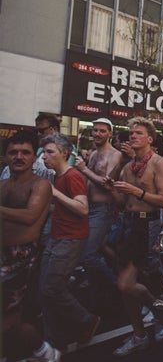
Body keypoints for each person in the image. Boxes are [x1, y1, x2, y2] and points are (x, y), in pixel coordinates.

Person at [105, 117, 163, 356]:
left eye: (138, 133)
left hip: (148, 225)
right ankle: (139, 334)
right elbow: (124, 204)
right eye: (131, 133)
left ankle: (160, 312)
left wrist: (136, 190)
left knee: (126, 283)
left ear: (150, 139)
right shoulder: (127, 166)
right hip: (127, 223)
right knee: (125, 286)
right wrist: (113, 189)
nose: (132, 136)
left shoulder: (160, 163)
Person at [0, 130, 59, 362]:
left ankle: (43, 350)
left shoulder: (40, 184)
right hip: (2, 254)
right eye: (13, 152)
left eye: (25, 152)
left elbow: (30, 216)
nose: (19, 157)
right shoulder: (3, 184)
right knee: (10, 321)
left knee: (8, 322)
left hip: (21, 258)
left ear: (34, 157)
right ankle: (39, 351)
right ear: (5, 156)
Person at [39, 132, 101, 348]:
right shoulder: (58, 175)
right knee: (45, 289)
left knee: (51, 288)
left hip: (71, 238)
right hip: (57, 236)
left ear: (64, 153)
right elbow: (64, 206)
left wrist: (54, 194)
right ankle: (55, 340)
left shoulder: (72, 175)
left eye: (49, 152)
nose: (44, 157)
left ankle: (87, 320)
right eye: (43, 152)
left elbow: (82, 209)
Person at [75, 118, 123, 302]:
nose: (97, 134)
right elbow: (88, 182)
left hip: (103, 209)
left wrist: (84, 170)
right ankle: (98, 287)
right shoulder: (94, 154)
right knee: (90, 251)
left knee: (89, 255)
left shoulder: (114, 155)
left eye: (102, 131)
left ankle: (116, 285)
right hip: (90, 208)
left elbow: (107, 185)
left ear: (110, 133)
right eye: (95, 130)